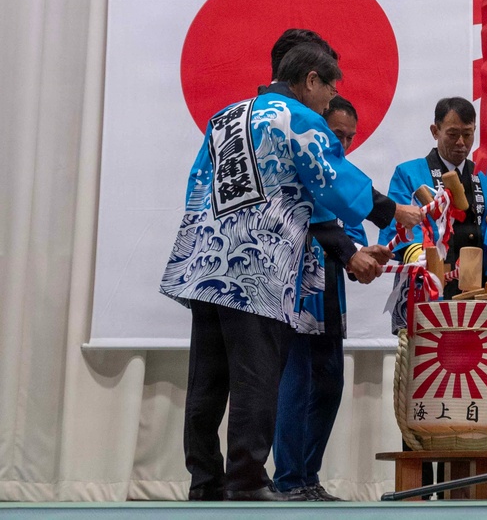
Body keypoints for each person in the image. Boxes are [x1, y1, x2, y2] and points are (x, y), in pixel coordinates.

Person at [160, 34, 413, 502]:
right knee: (257, 377)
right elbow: (329, 178)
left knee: (207, 381)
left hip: (205, 260)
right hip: (257, 266)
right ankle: (247, 481)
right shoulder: (297, 117)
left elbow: (197, 183)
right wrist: (389, 211)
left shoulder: (225, 116)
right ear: (311, 80)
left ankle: (205, 482)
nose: (329, 102)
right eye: (330, 91)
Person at [273, 97, 391, 502]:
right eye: (335, 134)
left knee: (329, 385)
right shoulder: (301, 173)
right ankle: (288, 479)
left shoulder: (345, 181)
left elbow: (353, 235)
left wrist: (365, 256)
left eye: (348, 137)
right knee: (296, 383)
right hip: (297, 293)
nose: (341, 142)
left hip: (330, 296)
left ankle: (309, 476)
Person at [378, 96, 487, 327]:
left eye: (468, 133)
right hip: (426, 279)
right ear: (435, 131)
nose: (461, 142)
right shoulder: (409, 173)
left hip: (476, 284)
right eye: (453, 134)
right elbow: (400, 226)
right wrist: (421, 259)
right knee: (425, 359)